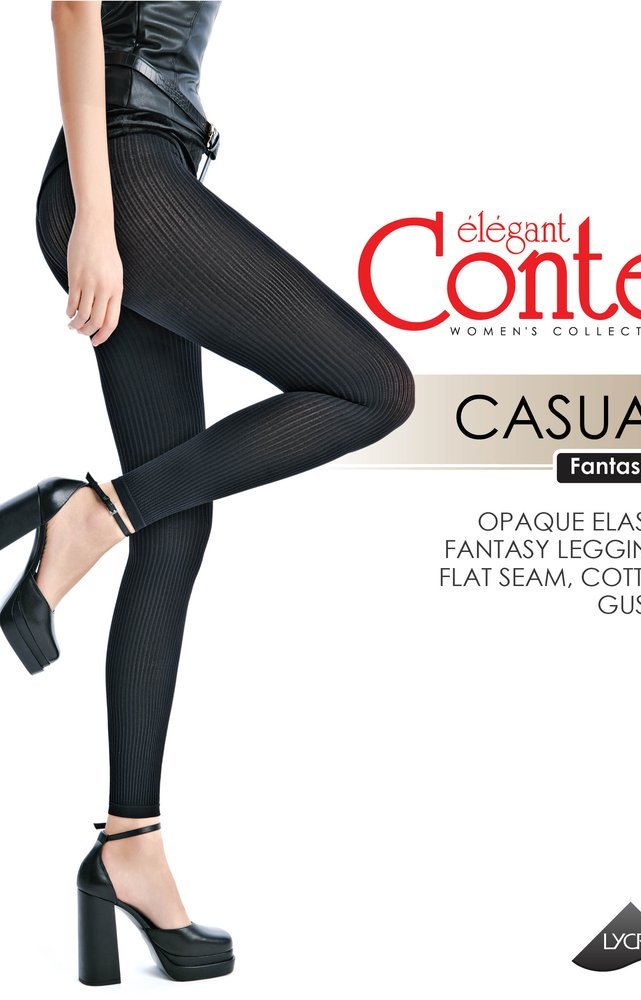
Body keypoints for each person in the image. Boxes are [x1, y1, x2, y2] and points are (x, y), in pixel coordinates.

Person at [0, 1, 414, 985]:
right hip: (124, 180)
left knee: (177, 525)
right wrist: (97, 223)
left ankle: (129, 847)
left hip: (153, 170)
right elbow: (74, 9)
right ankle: (91, 516)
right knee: (374, 387)